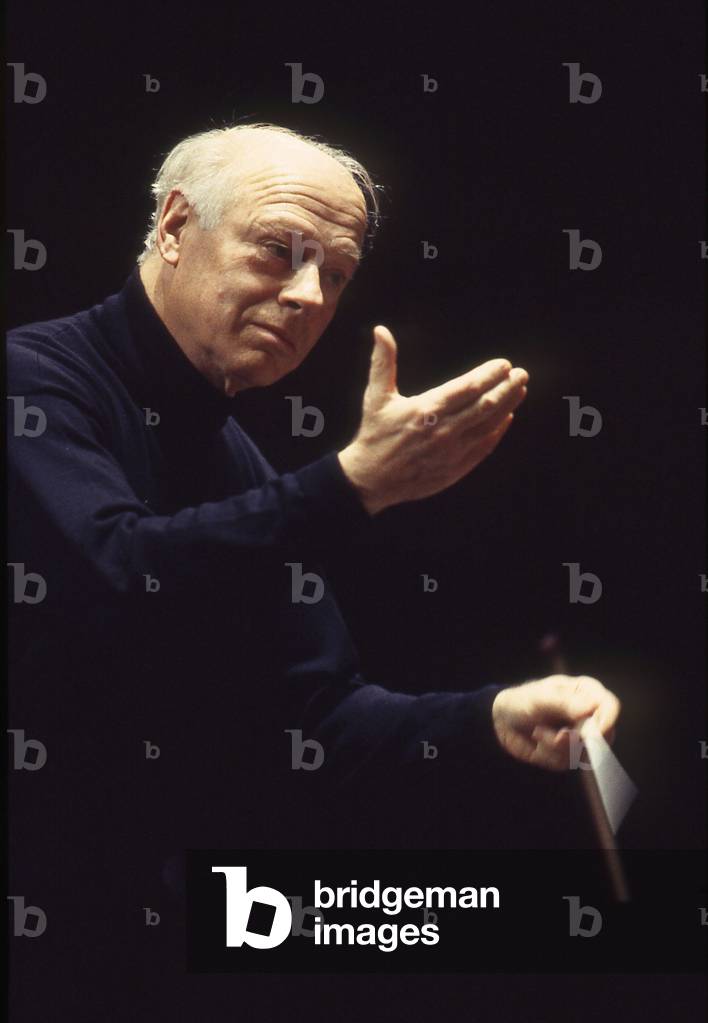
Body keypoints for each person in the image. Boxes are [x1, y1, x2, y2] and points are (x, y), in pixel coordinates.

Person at [8, 123, 620, 872]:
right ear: (173, 228)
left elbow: (319, 714)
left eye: (335, 274)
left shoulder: (236, 460)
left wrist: (490, 717)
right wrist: (352, 483)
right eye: (279, 250)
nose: (308, 296)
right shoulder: (34, 381)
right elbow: (117, 572)